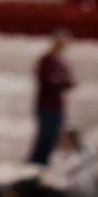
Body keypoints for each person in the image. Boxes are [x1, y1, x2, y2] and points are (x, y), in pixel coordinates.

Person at [29, 30, 76, 164]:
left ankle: (47, 164)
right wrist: (58, 81)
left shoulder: (63, 62)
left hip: (57, 105)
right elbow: (46, 81)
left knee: (53, 138)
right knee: (44, 137)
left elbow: (69, 82)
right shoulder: (45, 60)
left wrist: (58, 81)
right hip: (45, 105)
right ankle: (35, 164)